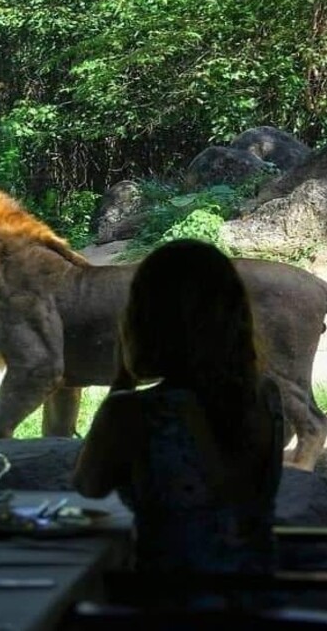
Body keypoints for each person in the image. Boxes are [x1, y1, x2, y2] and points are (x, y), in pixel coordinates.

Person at [72, 238, 283, 576]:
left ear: (143, 320)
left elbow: (88, 486)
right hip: (259, 599)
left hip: (167, 607)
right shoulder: (266, 396)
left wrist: (121, 379)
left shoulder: (134, 412)